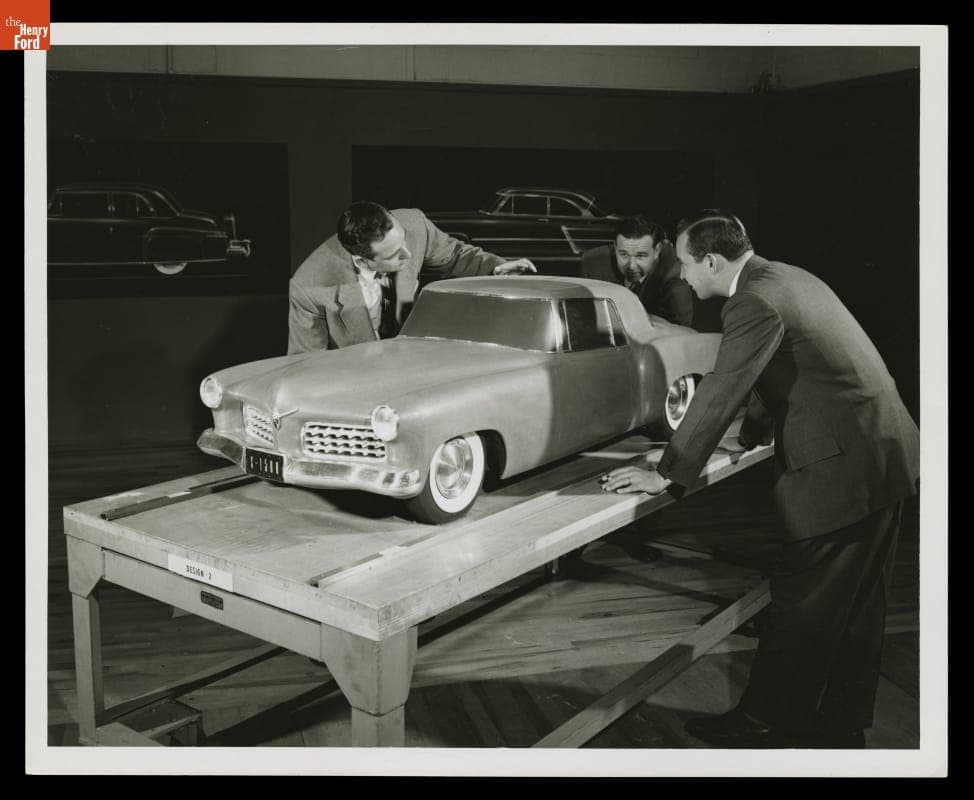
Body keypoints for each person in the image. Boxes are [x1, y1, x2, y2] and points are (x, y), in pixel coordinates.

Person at [600, 209, 919, 748]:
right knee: (856, 608)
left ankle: (765, 724)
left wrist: (666, 474)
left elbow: (724, 385)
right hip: (887, 455)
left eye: (683, 264)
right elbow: (783, 371)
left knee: (801, 602)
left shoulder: (752, 300)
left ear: (712, 260)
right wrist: (753, 435)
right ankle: (838, 724)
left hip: (844, 471)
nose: (681, 276)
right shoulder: (784, 276)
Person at [288, 201, 536, 353]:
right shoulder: (309, 286)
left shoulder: (415, 225)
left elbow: (455, 254)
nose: (409, 254)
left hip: (411, 359)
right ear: (363, 261)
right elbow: (306, 364)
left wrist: (495, 268)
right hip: (354, 379)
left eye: (404, 241)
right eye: (395, 255)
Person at [580, 214, 694, 327]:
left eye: (641, 255)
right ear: (615, 247)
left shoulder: (675, 279)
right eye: (623, 254)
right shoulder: (593, 263)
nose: (632, 266)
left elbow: (680, 334)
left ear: (657, 251)